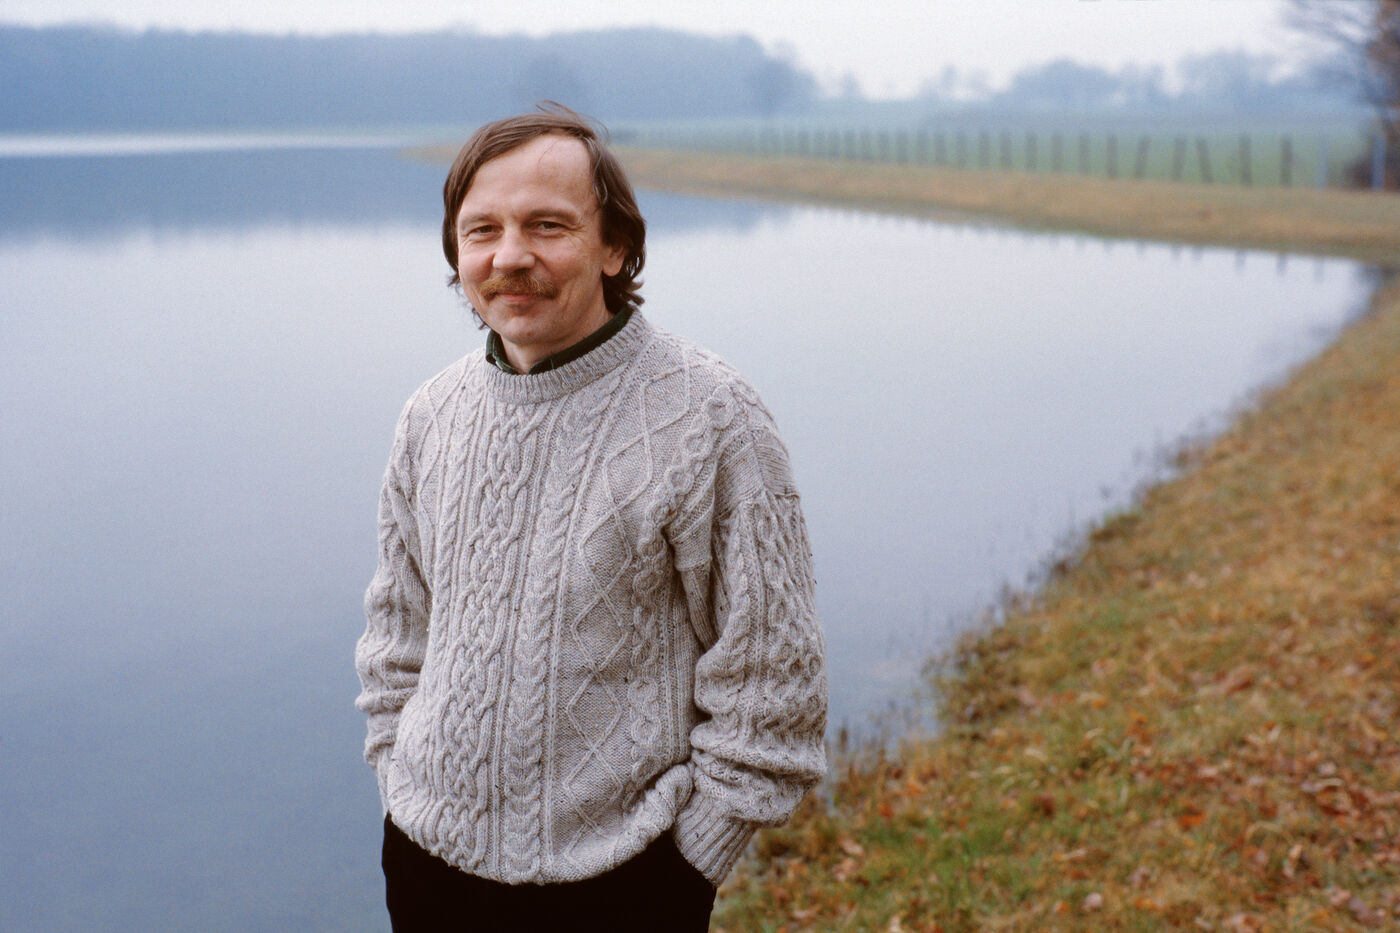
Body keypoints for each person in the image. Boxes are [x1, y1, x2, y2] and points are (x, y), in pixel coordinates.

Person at [354, 104, 827, 932]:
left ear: (615, 246)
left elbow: (774, 678)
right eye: (482, 230)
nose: (510, 256)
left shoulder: (711, 416)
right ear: (456, 251)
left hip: (625, 886)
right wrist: (398, 780)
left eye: (548, 225)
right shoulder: (430, 414)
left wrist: (686, 867)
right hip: (425, 867)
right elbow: (398, 636)